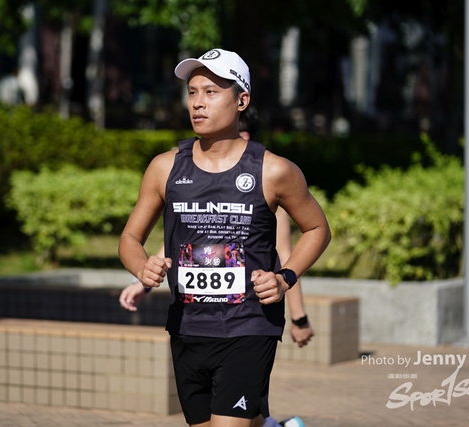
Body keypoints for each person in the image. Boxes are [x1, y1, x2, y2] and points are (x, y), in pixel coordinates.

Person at [118, 48, 330, 427]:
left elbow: (317, 229)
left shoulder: (273, 170)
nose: (198, 103)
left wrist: (285, 278)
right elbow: (130, 238)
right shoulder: (165, 167)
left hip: (248, 325)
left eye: (211, 92)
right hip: (187, 327)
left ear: (241, 100)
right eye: (192, 92)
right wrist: (141, 267)